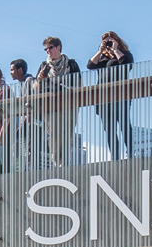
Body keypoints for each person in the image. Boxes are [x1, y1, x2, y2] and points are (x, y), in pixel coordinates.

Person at [86, 31, 135, 161]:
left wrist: (116, 50)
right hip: (104, 98)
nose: (108, 44)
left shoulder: (125, 54)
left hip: (121, 96)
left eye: (110, 41)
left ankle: (130, 153)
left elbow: (127, 65)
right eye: (106, 41)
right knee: (109, 128)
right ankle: (115, 156)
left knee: (124, 124)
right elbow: (90, 65)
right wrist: (101, 51)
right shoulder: (102, 58)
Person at [33, 37, 82, 165]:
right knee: (54, 135)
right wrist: (39, 79)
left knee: (67, 134)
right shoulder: (44, 66)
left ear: (58, 47)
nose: (48, 51)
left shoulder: (71, 64)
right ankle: (56, 163)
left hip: (69, 104)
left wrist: (73, 89)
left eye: (50, 48)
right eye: (46, 49)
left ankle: (65, 162)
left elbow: (79, 84)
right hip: (51, 106)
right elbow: (35, 89)